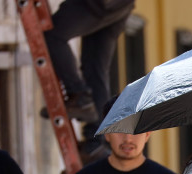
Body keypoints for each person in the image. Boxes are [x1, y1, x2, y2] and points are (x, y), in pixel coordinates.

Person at [44, 0, 136, 156]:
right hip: (121, 6)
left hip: (99, 4)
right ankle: (96, 143)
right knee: (95, 71)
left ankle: (80, 96)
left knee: (53, 36)